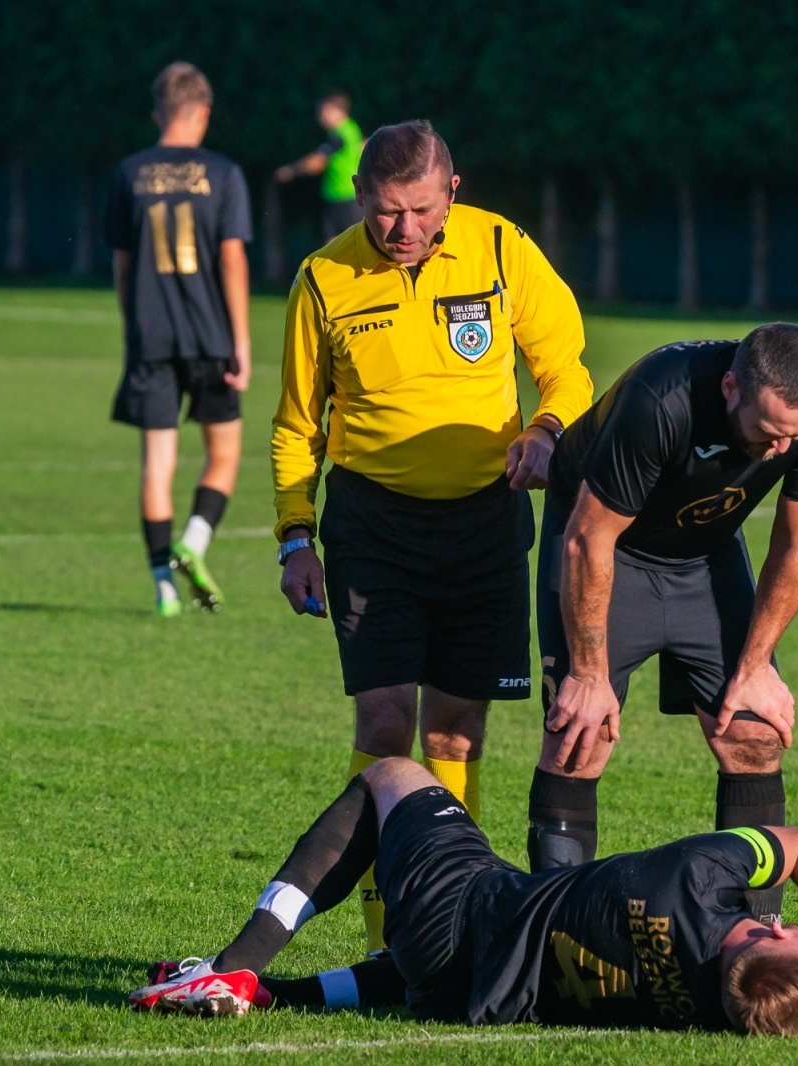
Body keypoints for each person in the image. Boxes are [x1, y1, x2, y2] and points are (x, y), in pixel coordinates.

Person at [271, 120, 592, 952]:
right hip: (373, 528)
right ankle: (387, 938)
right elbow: (297, 424)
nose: (403, 230)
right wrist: (294, 536)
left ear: (452, 190)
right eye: (384, 213)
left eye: (419, 209)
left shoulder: (500, 250)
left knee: (455, 733)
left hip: (484, 524)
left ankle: (442, 923)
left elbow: (567, 366)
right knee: (383, 729)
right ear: (360, 200)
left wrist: (549, 430)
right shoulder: (324, 278)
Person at [129, 758, 798, 1035]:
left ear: (760, 940)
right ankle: (276, 997)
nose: (794, 921)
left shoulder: (693, 883)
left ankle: (233, 966)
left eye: (789, 930)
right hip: (465, 989)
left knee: (391, 777)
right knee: (410, 970)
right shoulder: (712, 1012)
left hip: (463, 907)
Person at [528, 325, 798, 928]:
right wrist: (589, 673)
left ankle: (754, 932)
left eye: (796, 436)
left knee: (754, 735)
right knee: (580, 734)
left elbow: (797, 541)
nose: (782, 451)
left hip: (704, 553)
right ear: (731, 387)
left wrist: (755, 668)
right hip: (605, 548)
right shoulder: (661, 399)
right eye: (769, 431)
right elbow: (587, 539)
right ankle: (554, 932)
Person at [106, 62, 252, 616]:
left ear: (157, 114)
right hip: (211, 336)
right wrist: (240, 340)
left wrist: (132, 324)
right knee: (224, 452)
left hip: (151, 340)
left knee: (157, 461)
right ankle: (195, 538)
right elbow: (232, 259)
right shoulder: (223, 173)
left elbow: (123, 264)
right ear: (203, 113)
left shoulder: (128, 173)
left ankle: (163, 585)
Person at [274, 92, 364, 241]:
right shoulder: (351, 128)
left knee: (336, 247)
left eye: (323, 111)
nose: (321, 117)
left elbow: (318, 161)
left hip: (344, 199)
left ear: (335, 110)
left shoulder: (340, 134)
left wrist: (291, 171)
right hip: (346, 198)